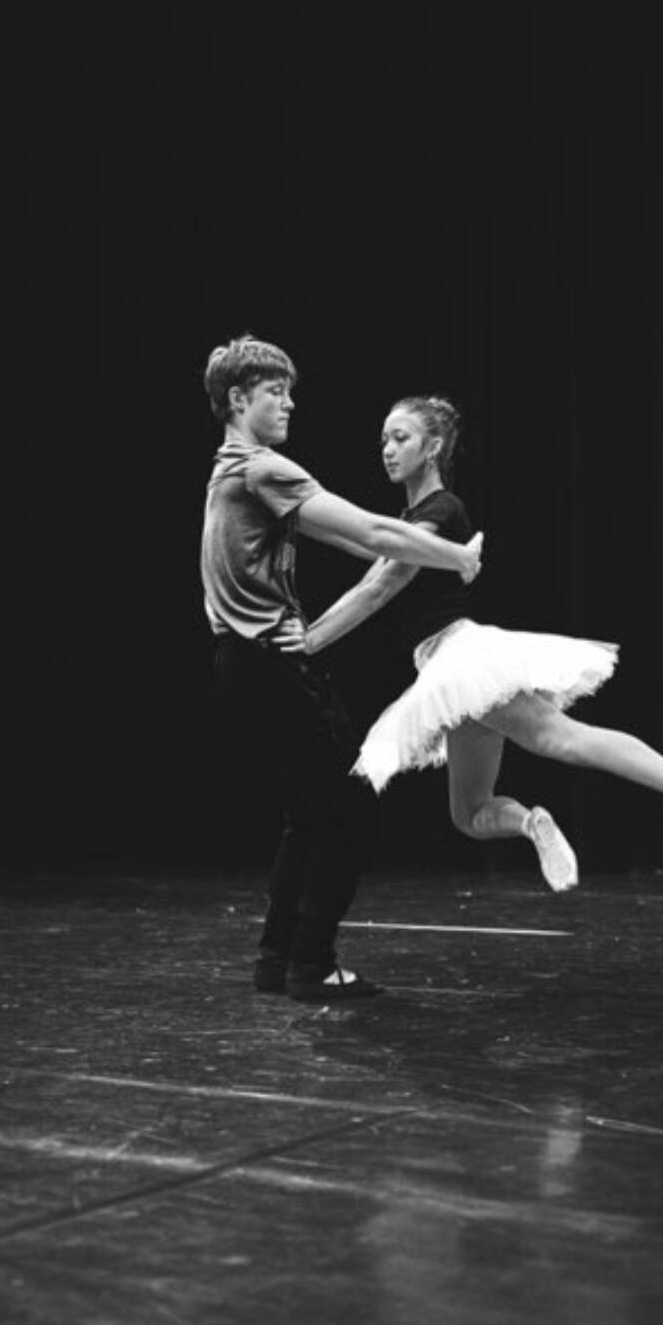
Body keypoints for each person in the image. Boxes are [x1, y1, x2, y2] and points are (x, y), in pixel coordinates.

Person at [278, 395, 663, 888]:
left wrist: (310, 641)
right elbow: (369, 545)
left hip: (460, 658)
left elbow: (378, 586)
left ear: (433, 447)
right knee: (469, 814)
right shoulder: (410, 524)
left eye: (400, 438)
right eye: (384, 439)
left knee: (558, 737)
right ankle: (533, 822)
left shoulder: (440, 509)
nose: (387, 449)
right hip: (446, 672)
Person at [201, 343, 483, 1002]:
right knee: (346, 810)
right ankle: (312, 962)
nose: (290, 404)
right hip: (269, 665)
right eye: (278, 392)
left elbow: (360, 540)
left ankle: (279, 958)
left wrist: (424, 552)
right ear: (240, 400)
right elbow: (378, 531)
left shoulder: (229, 472)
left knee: (311, 812)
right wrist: (456, 557)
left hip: (244, 667)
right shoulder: (260, 467)